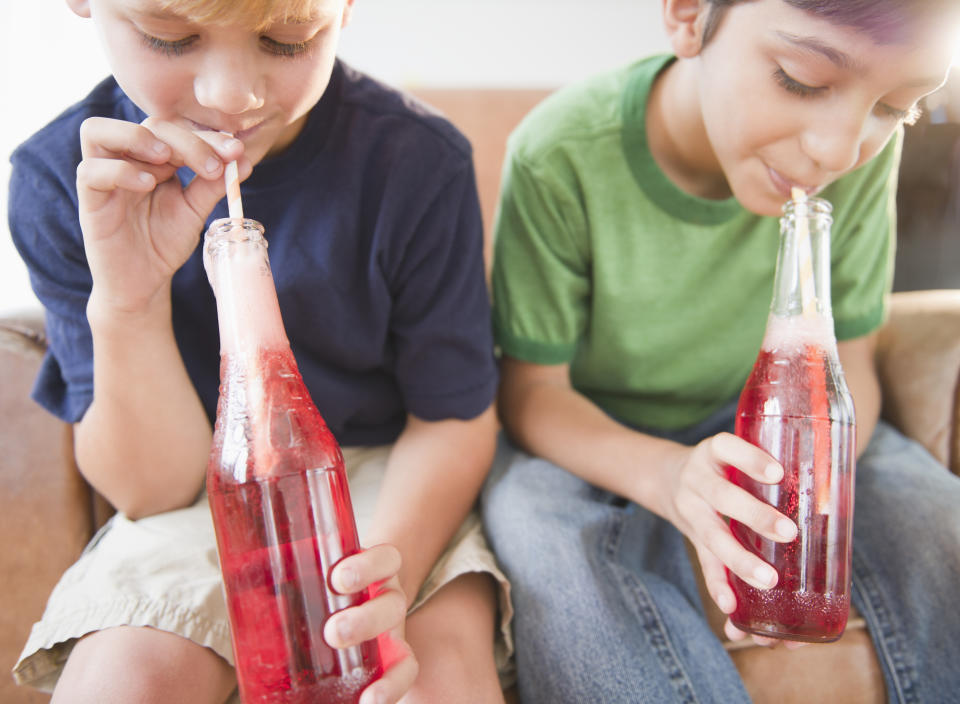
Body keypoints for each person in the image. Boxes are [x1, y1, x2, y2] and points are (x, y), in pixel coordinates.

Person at [9, 1, 512, 702]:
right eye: (168, 37)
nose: (230, 95)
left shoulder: (416, 162)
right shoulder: (63, 182)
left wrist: (377, 580)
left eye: (285, 40)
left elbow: (454, 422)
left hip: (387, 478)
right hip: (186, 503)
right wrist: (129, 302)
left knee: (439, 675)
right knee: (127, 678)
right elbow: (153, 491)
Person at [482, 0, 960, 701]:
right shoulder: (560, 153)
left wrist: (800, 494)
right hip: (596, 435)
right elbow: (530, 394)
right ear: (685, 14)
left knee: (939, 524)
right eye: (800, 79)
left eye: (897, 108)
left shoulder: (855, 163)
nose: (839, 148)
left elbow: (850, 361)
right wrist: (672, 478)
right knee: (545, 539)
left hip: (782, 436)